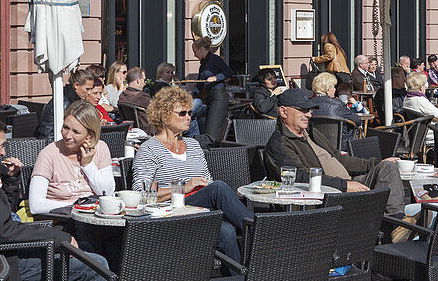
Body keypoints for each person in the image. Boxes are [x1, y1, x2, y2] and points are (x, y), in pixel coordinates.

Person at [0, 114, 110, 281]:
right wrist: (58, 237)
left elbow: (1, 215)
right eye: (2, 145)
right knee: (96, 264)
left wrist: (10, 180)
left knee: (86, 249)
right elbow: (4, 230)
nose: (3, 152)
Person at [132, 86, 253, 265]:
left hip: (201, 211)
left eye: (189, 112)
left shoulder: (193, 145)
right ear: (164, 116)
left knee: (226, 230)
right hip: (170, 213)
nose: (188, 116)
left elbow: (207, 182)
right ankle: (259, 229)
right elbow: (140, 193)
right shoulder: (149, 149)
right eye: (182, 113)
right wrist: (182, 188)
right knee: (218, 188)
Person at [263, 89, 407, 220]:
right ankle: (394, 226)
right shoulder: (279, 143)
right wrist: (343, 185)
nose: (309, 114)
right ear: (283, 112)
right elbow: (300, 177)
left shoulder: (311, 132)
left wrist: (376, 164)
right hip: (329, 195)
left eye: (309, 110)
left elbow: (339, 158)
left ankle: (397, 222)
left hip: (348, 183)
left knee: (387, 167)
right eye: (302, 110)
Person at [29, 101, 115, 214]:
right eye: (66, 127)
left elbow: (107, 193)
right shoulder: (49, 154)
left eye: (76, 132)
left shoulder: (100, 148)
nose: (68, 136)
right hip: (62, 219)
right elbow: (35, 205)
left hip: (95, 219)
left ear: (89, 135)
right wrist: (78, 207)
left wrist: (88, 165)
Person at [37, 68, 95, 140]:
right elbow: (49, 133)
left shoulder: (71, 98)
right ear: (76, 85)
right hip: (52, 142)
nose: (89, 93)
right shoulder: (63, 103)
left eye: (90, 89)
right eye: (87, 89)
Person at [117, 67, 152, 132]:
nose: (145, 83)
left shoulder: (122, 95)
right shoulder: (142, 97)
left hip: (130, 130)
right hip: (147, 131)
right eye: (144, 80)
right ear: (138, 80)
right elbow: (158, 112)